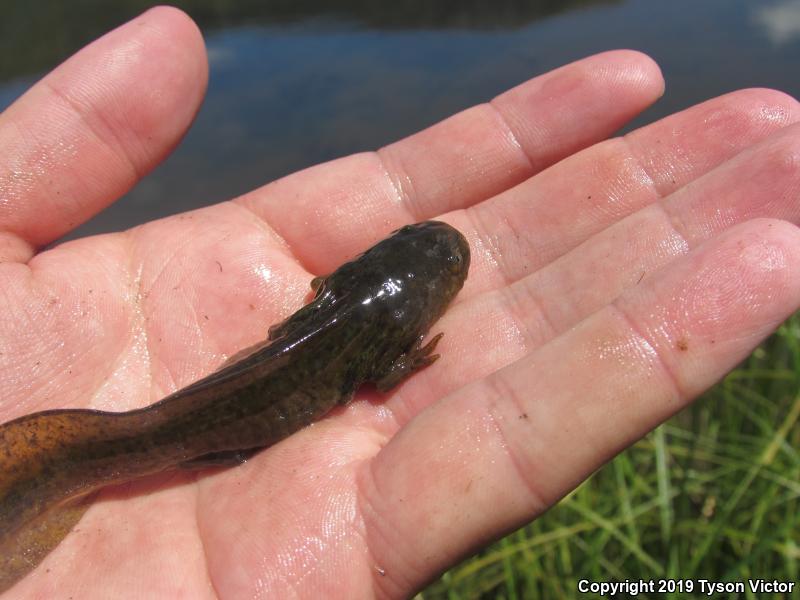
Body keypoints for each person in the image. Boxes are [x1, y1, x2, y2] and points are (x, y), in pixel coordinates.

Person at [1, 6, 799, 598]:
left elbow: (350, 360)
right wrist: (403, 360)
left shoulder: (333, 310)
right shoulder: (366, 334)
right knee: (153, 439)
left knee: (158, 436)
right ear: (342, 286)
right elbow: (374, 377)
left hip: (272, 373)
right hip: (264, 386)